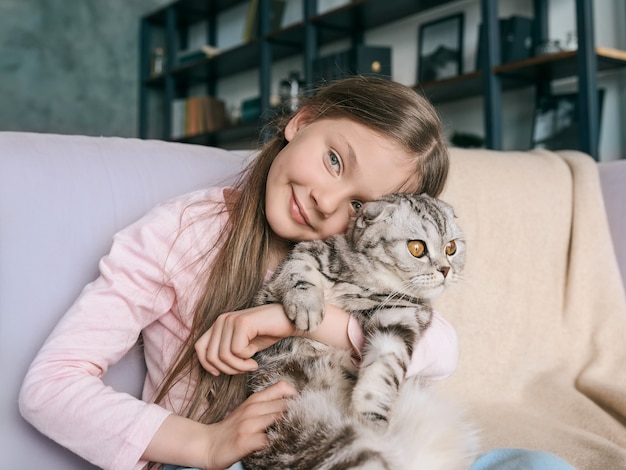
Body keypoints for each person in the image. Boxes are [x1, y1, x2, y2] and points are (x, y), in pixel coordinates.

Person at [19, 76, 573, 470]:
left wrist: (299, 321)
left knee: (539, 465)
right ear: (300, 122)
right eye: (335, 160)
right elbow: (51, 386)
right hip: (242, 460)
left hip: (363, 443)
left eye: (362, 204)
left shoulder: (357, 249)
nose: (328, 202)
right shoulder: (181, 232)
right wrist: (204, 445)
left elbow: (439, 349)